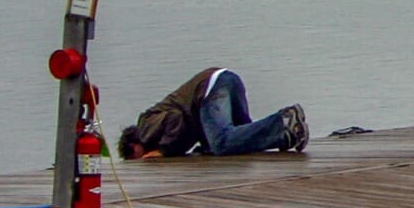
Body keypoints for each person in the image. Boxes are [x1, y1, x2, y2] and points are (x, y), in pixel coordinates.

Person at [118, 68, 307, 159]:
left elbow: (175, 119)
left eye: (134, 156)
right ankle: (287, 135)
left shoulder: (145, 126)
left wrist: (163, 151)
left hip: (210, 88)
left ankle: (284, 122)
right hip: (227, 80)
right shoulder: (154, 129)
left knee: (222, 143)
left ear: (134, 145)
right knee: (242, 141)